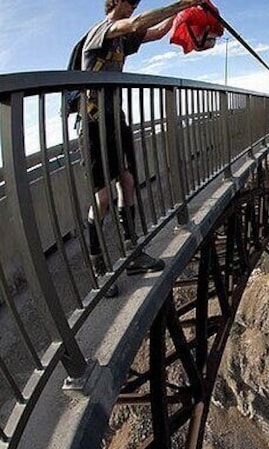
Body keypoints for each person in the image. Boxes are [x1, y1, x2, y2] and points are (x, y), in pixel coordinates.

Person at [80, 0, 204, 294]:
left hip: (114, 119)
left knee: (128, 181)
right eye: (131, 1)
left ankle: (132, 253)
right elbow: (136, 25)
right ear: (117, 2)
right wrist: (185, 2)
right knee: (103, 197)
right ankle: (98, 265)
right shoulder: (101, 31)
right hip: (94, 122)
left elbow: (157, 31)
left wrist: (184, 14)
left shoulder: (121, 38)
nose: (135, 6)